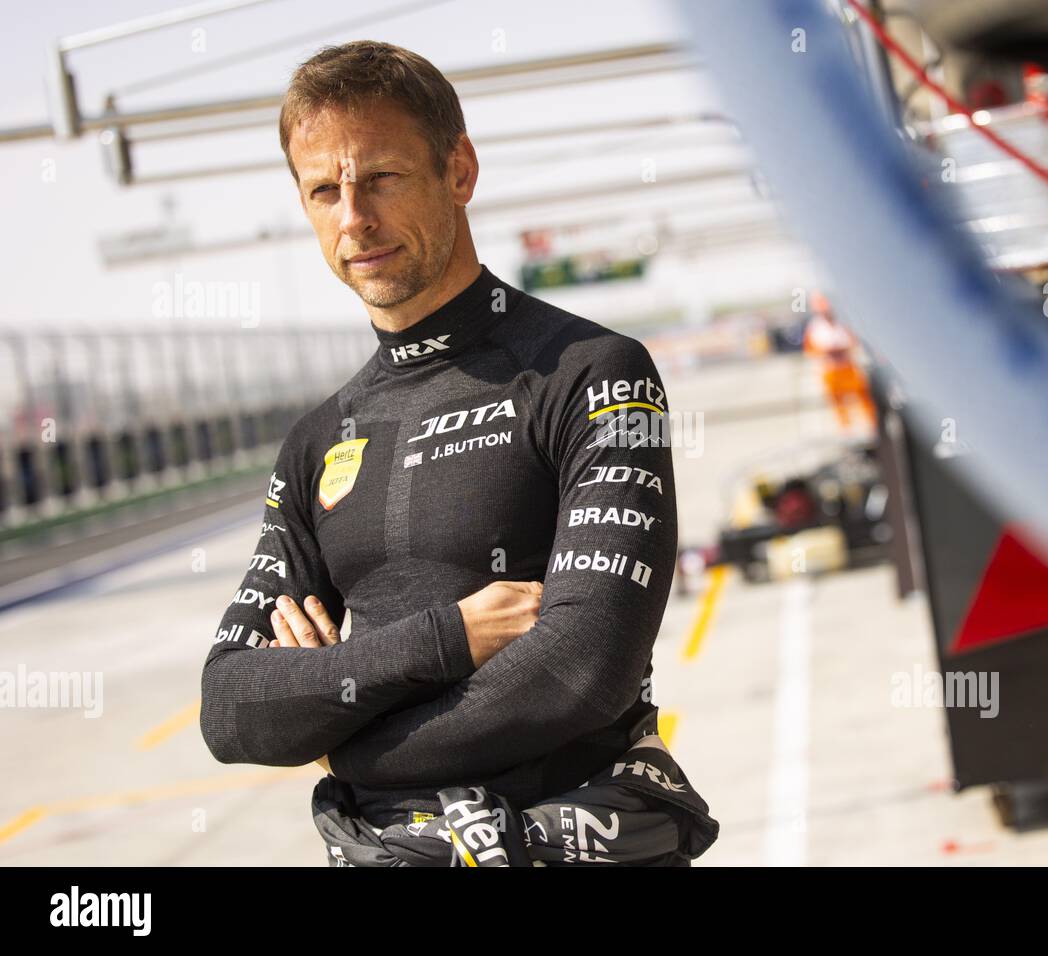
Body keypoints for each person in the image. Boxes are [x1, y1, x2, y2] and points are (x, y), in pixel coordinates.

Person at [199, 40, 715, 865]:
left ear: (460, 171)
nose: (354, 218)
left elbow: (581, 668)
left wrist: (346, 736)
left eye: (383, 178)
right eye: (324, 190)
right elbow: (230, 709)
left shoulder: (593, 374)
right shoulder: (315, 443)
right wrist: (447, 639)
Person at [803, 291, 878, 433]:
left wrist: (843, 348)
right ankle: (846, 427)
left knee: (863, 397)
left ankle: (872, 424)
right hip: (830, 370)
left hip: (848, 367)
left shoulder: (843, 323)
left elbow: (854, 340)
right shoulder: (814, 328)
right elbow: (810, 350)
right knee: (837, 401)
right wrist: (826, 352)